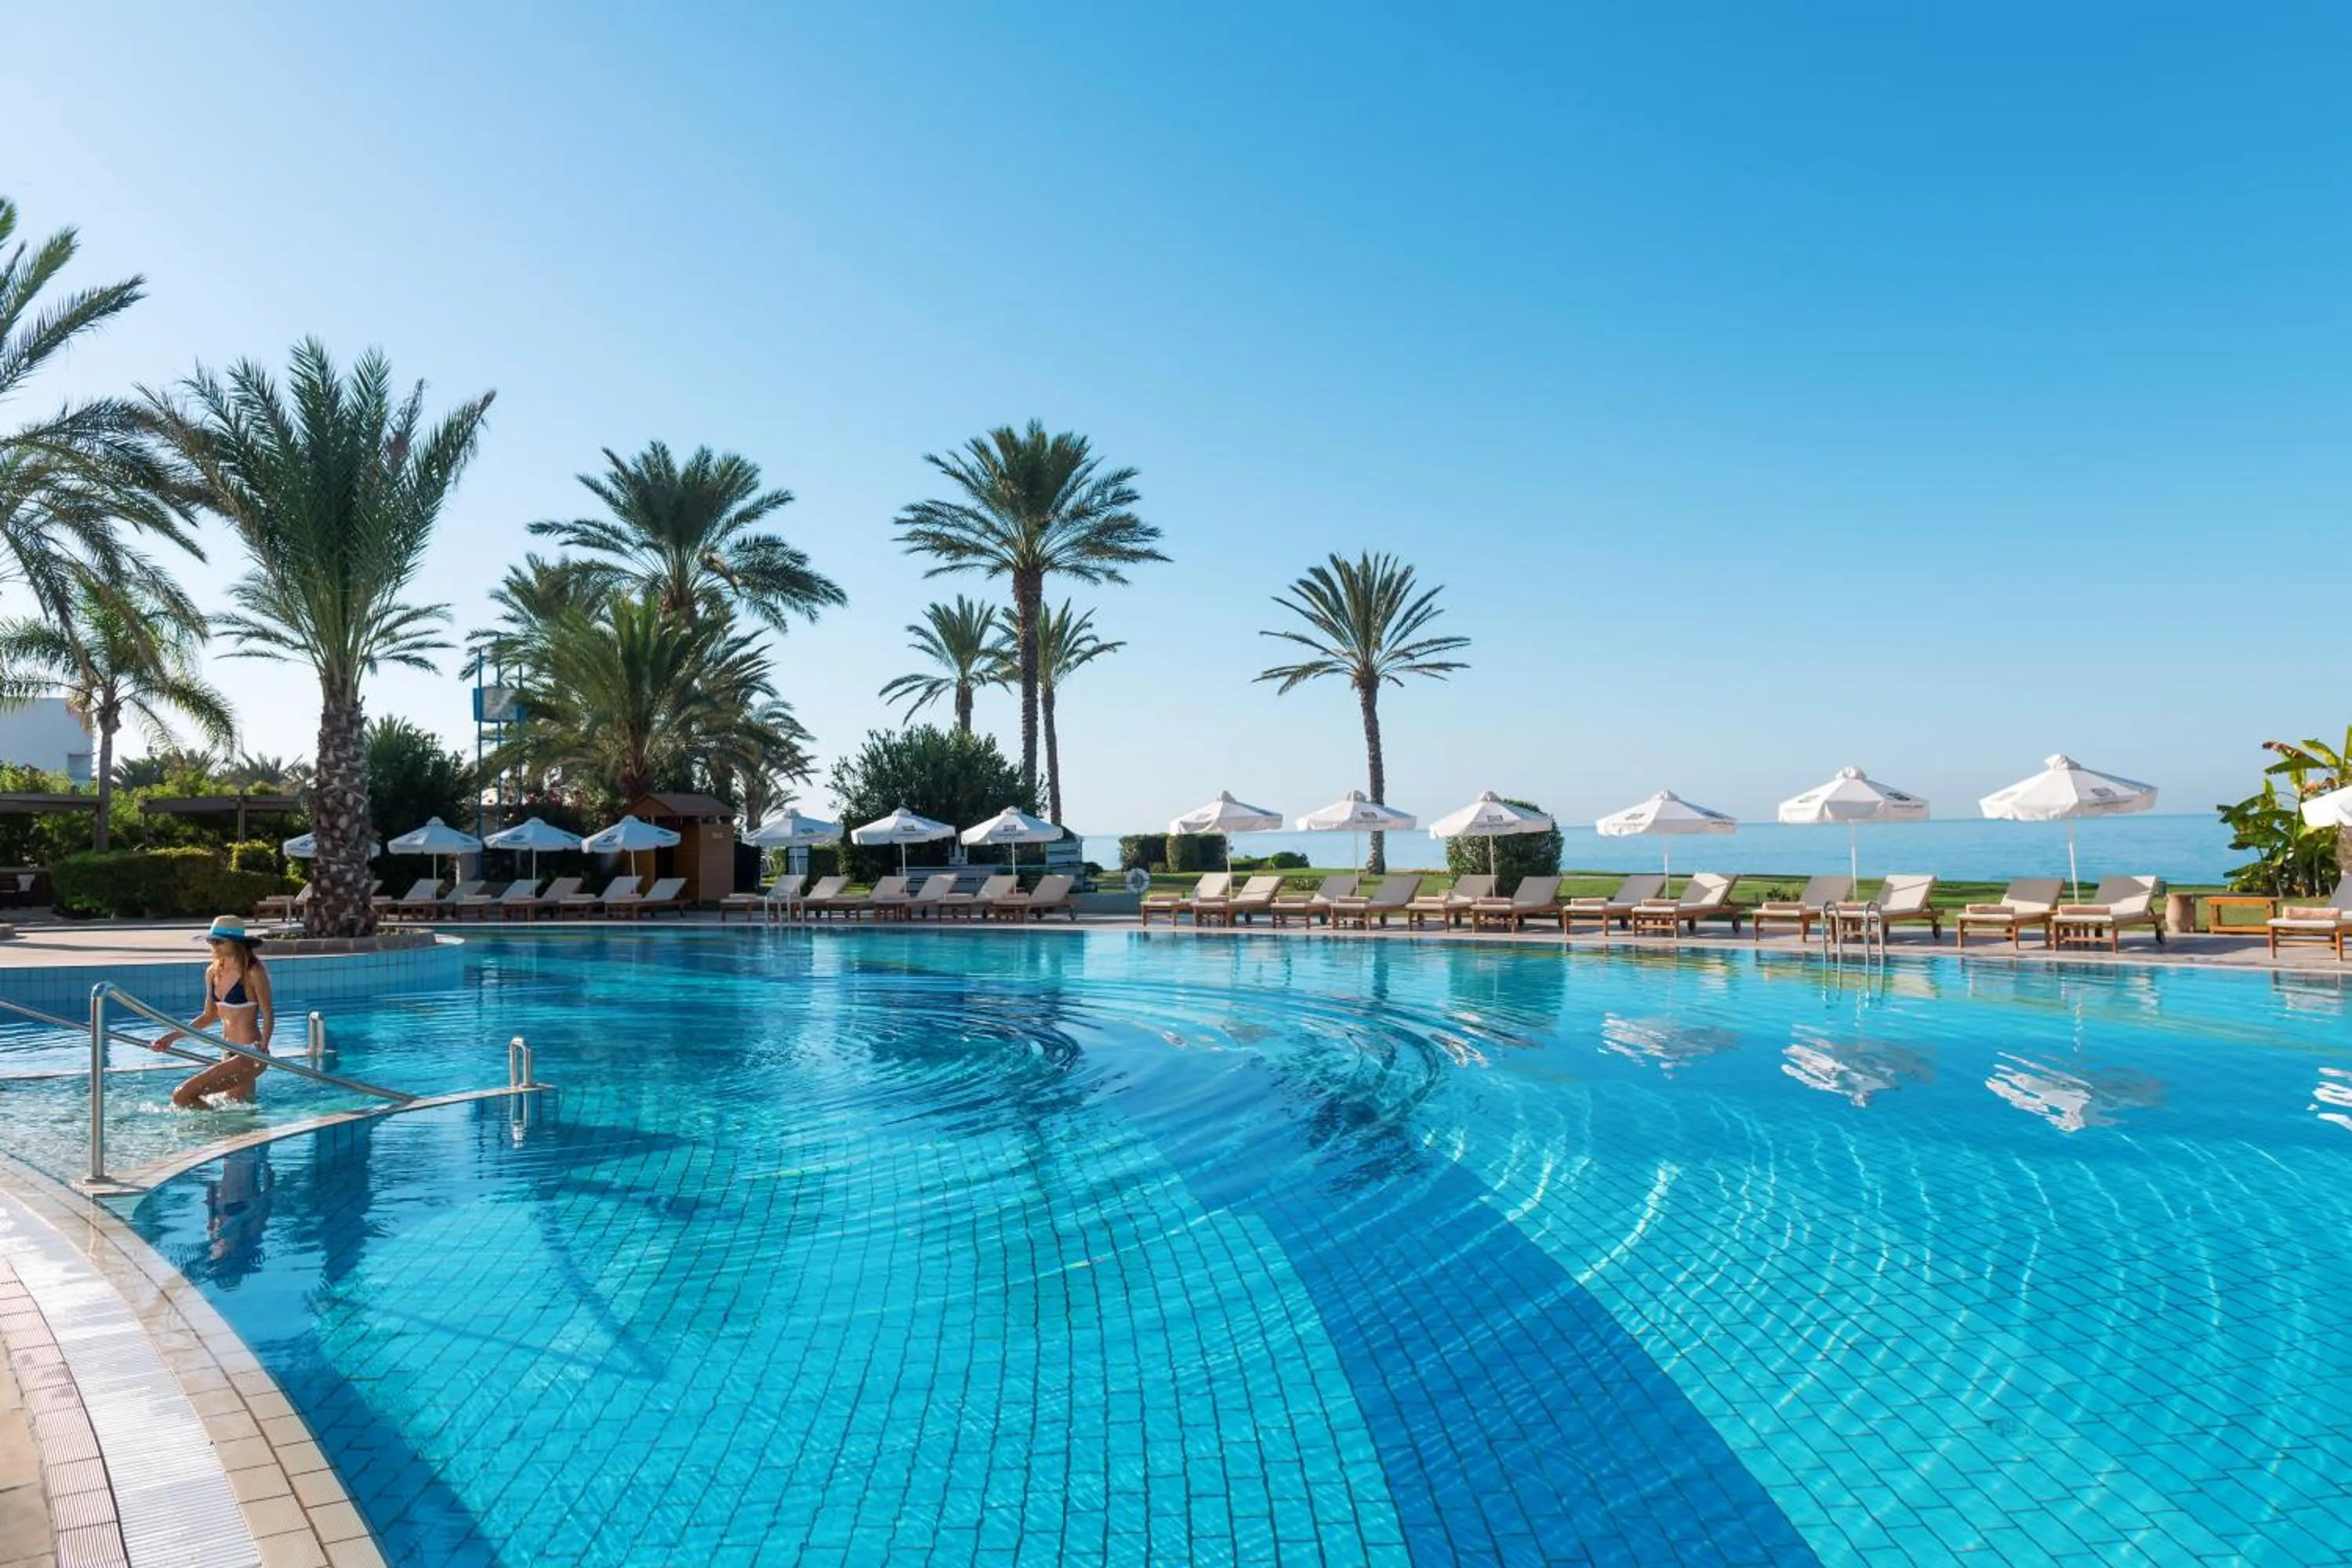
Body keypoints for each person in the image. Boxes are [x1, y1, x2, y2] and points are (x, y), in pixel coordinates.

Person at [152, 915, 275, 1109]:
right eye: (211, 941)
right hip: (227, 1052)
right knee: (237, 1109)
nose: (213, 946)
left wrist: (264, 1047)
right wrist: (170, 1038)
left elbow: (268, 1012)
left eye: (218, 942)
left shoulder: (252, 972)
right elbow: (209, 1015)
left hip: (250, 1053)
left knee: (181, 1096)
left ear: (235, 943)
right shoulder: (212, 972)